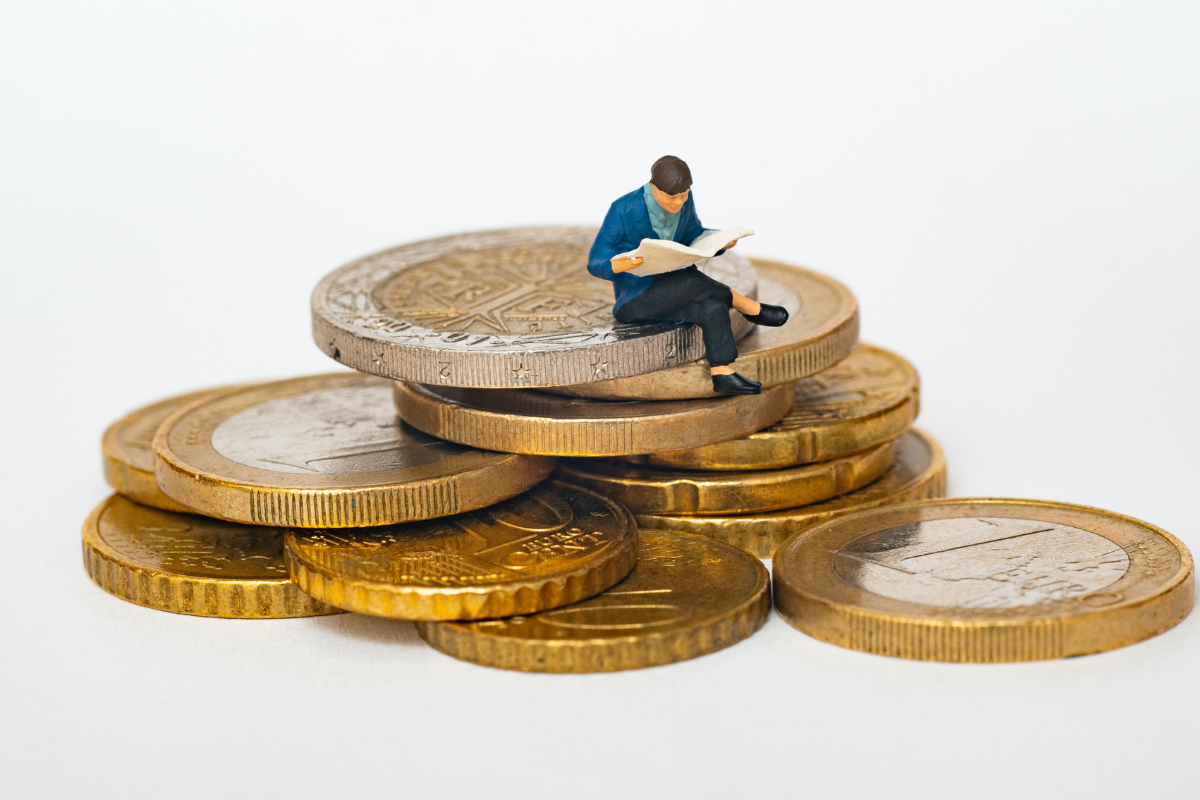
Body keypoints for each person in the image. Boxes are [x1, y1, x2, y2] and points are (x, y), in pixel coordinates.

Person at [587, 155, 789, 395]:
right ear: (653, 188)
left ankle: (722, 373)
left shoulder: (685, 199)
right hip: (636, 299)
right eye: (671, 197)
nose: (678, 202)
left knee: (712, 306)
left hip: (678, 288)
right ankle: (750, 308)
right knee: (691, 281)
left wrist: (719, 241)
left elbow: (694, 234)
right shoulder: (623, 208)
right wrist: (619, 265)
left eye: (683, 195)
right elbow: (595, 260)